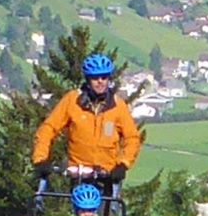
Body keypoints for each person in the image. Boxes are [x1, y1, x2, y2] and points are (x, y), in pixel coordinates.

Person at [32, 52, 142, 188]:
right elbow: (48, 128)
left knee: (108, 202)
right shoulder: (72, 101)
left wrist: (123, 164)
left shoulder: (118, 106)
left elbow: (132, 138)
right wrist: (40, 159)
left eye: (104, 77)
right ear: (87, 79)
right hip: (79, 175)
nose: (100, 81)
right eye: (95, 78)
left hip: (108, 176)